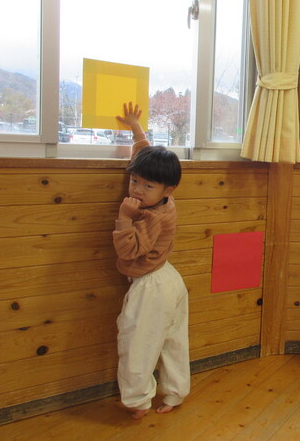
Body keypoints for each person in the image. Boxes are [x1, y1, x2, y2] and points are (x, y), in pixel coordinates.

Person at [113, 101, 190, 419]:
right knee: (173, 339)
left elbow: (128, 251)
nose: (138, 190)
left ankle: (137, 401)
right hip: (169, 278)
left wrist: (123, 217)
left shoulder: (150, 217)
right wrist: (136, 128)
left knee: (138, 344)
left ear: (167, 189)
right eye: (134, 181)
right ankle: (175, 392)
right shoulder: (165, 198)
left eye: (147, 186)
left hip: (150, 286)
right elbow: (143, 155)